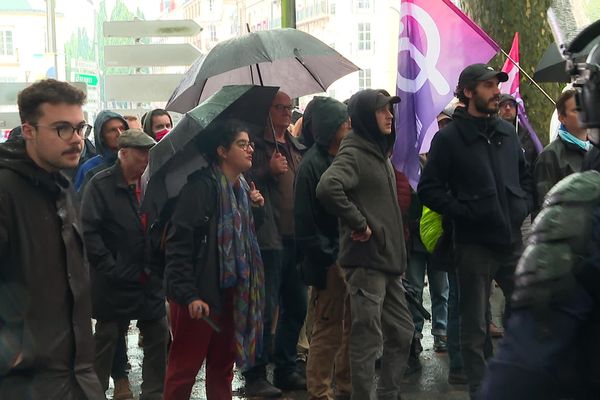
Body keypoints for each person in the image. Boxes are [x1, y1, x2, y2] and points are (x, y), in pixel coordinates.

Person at [418, 64, 533, 399]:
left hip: (510, 241)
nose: (496, 90)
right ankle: (481, 391)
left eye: (496, 85)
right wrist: (465, 212)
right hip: (472, 246)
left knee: (527, 310)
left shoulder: (507, 133)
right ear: (468, 92)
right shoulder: (450, 138)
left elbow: (525, 177)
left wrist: (520, 206)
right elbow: (429, 189)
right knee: (474, 328)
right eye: (487, 85)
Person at [0, 79, 104, 399]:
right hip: (26, 381)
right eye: (62, 129)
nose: (76, 140)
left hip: (78, 374)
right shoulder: (6, 190)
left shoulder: (62, 186)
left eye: (79, 128)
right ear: (29, 130)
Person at [316, 89, 414, 400]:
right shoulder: (354, 151)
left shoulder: (377, 151)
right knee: (366, 340)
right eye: (381, 111)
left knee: (402, 332)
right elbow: (328, 187)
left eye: (390, 110)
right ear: (363, 117)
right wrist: (358, 222)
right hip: (366, 263)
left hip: (387, 264)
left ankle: (387, 394)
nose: (389, 116)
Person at [162, 121, 265, 399]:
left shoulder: (241, 189)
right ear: (222, 151)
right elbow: (178, 245)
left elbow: (246, 240)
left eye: (250, 143)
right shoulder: (201, 189)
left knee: (222, 369)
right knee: (184, 370)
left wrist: (257, 209)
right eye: (241, 144)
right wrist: (188, 294)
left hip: (234, 293)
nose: (250, 149)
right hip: (199, 295)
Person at [80, 129, 168, 400]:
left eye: (148, 153)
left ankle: (153, 393)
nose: (145, 158)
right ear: (123, 153)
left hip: (147, 276)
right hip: (113, 280)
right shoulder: (101, 184)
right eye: (140, 152)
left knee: (158, 333)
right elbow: (89, 231)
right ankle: (94, 392)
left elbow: (161, 224)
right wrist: (111, 267)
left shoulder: (153, 184)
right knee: (107, 338)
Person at [243, 91, 307, 396]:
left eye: (289, 107)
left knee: (296, 306)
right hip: (267, 239)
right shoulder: (255, 146)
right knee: (264, 311)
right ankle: (255, 375)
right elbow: (240, 178)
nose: (285, 112)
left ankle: (286, 366)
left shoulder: (294, 145)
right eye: (279, 107)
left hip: (295, 238)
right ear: (267, 111)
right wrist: (266, 170)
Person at [294, 96, 352, 400]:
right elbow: (305, 224)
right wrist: (329, 259)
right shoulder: (311, 166)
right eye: (344, 122)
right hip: (328, 262)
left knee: (349, 328)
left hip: (346, 257)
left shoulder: (338, 157)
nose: (350, 126)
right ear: (332, 127)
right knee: (328, 330)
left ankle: (345, 385)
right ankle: (319, 390)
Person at [534, 89, 589, 210]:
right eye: (577, 110)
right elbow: (544, 208)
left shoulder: (595, 151)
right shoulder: (550, 155)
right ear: (562, 118)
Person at [74, 110, 128, 191]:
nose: (119, 134)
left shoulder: (135, 161)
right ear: (102, 136)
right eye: (112, 130)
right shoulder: (89, 168)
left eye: (122, 128)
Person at [498, 94, 538, 172]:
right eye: (504, 105)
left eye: (511, 105)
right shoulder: (491, 134)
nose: (508, 108)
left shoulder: (526, 137)